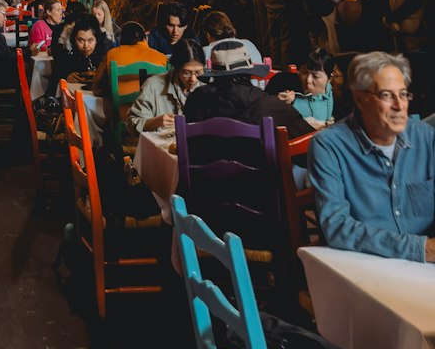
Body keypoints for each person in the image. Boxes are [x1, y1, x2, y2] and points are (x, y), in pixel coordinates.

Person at [307, 52, 435, 261]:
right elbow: (337, 227)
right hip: (366, 264)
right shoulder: (328, 146)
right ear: (360, 99)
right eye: (387, 95)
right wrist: (420, 249)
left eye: (403, 94)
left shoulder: (426, 137)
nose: (399, 105)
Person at [184, 43, 312, 139]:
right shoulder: (269, 105)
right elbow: (307, 144)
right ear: (248, 73)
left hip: (204, 174)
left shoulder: (195, 99)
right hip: (259, 175)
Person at [127, 40, 206, 136]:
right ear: (176, 69)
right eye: (186, 73)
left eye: (198, 72)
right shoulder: (153, 86)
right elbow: (131, 125)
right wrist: (154, 122)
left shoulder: (207, 86)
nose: (193, 79)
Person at [98, 21, 168, 102]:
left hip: (122, 113)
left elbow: (96, 86)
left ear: (121, 40)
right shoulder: (162, 58)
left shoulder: (111, 54)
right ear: (146, 39)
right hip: (155, 113)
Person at [270, 49, 334, 129]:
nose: (308, 80)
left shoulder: (336, 95)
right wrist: (278, 104)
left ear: (329, 79)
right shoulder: (281, 83)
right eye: (304, 72)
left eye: (316, 76)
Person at [47, 17, 103, 98]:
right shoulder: (67, 58)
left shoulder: (103, 57)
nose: (86, 46)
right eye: (81, 40)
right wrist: (66, 76)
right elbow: (54, 84)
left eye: (90, 40)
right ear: (74, 40)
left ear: (96, 40)